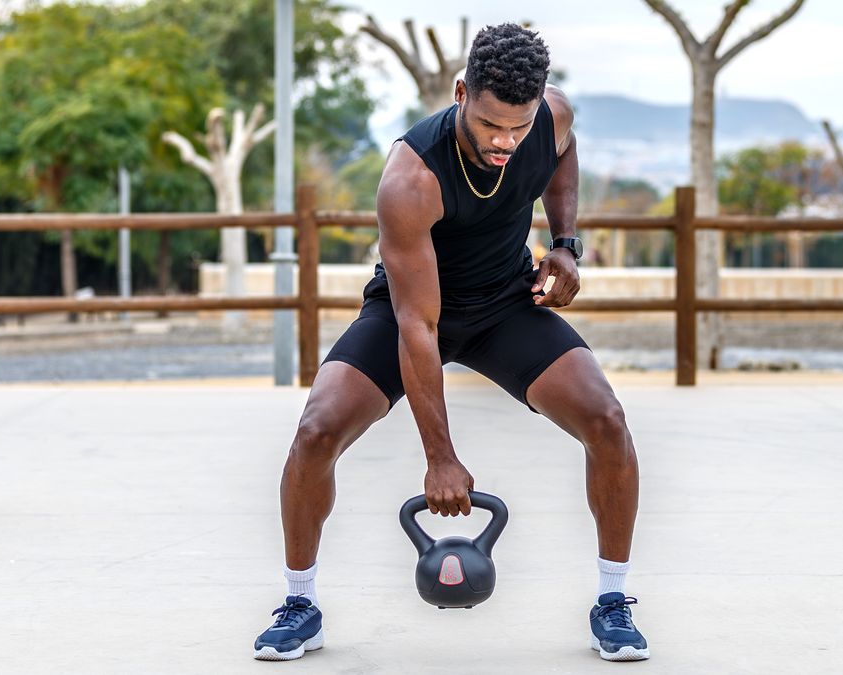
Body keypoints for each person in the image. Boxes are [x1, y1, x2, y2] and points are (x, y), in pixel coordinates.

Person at [254, 22, 648, 663]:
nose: (505, 142)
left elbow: (563, 150)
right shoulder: (410, 178)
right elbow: (418, 326)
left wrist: (566, 242)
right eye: (492, 125)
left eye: (518, 129)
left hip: (503, 306)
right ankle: (300, 603)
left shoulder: (548, 120)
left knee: (607, 420)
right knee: (317, 431)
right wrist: (440, 456)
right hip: (409, 311)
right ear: (462, 92)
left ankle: (613, 602)